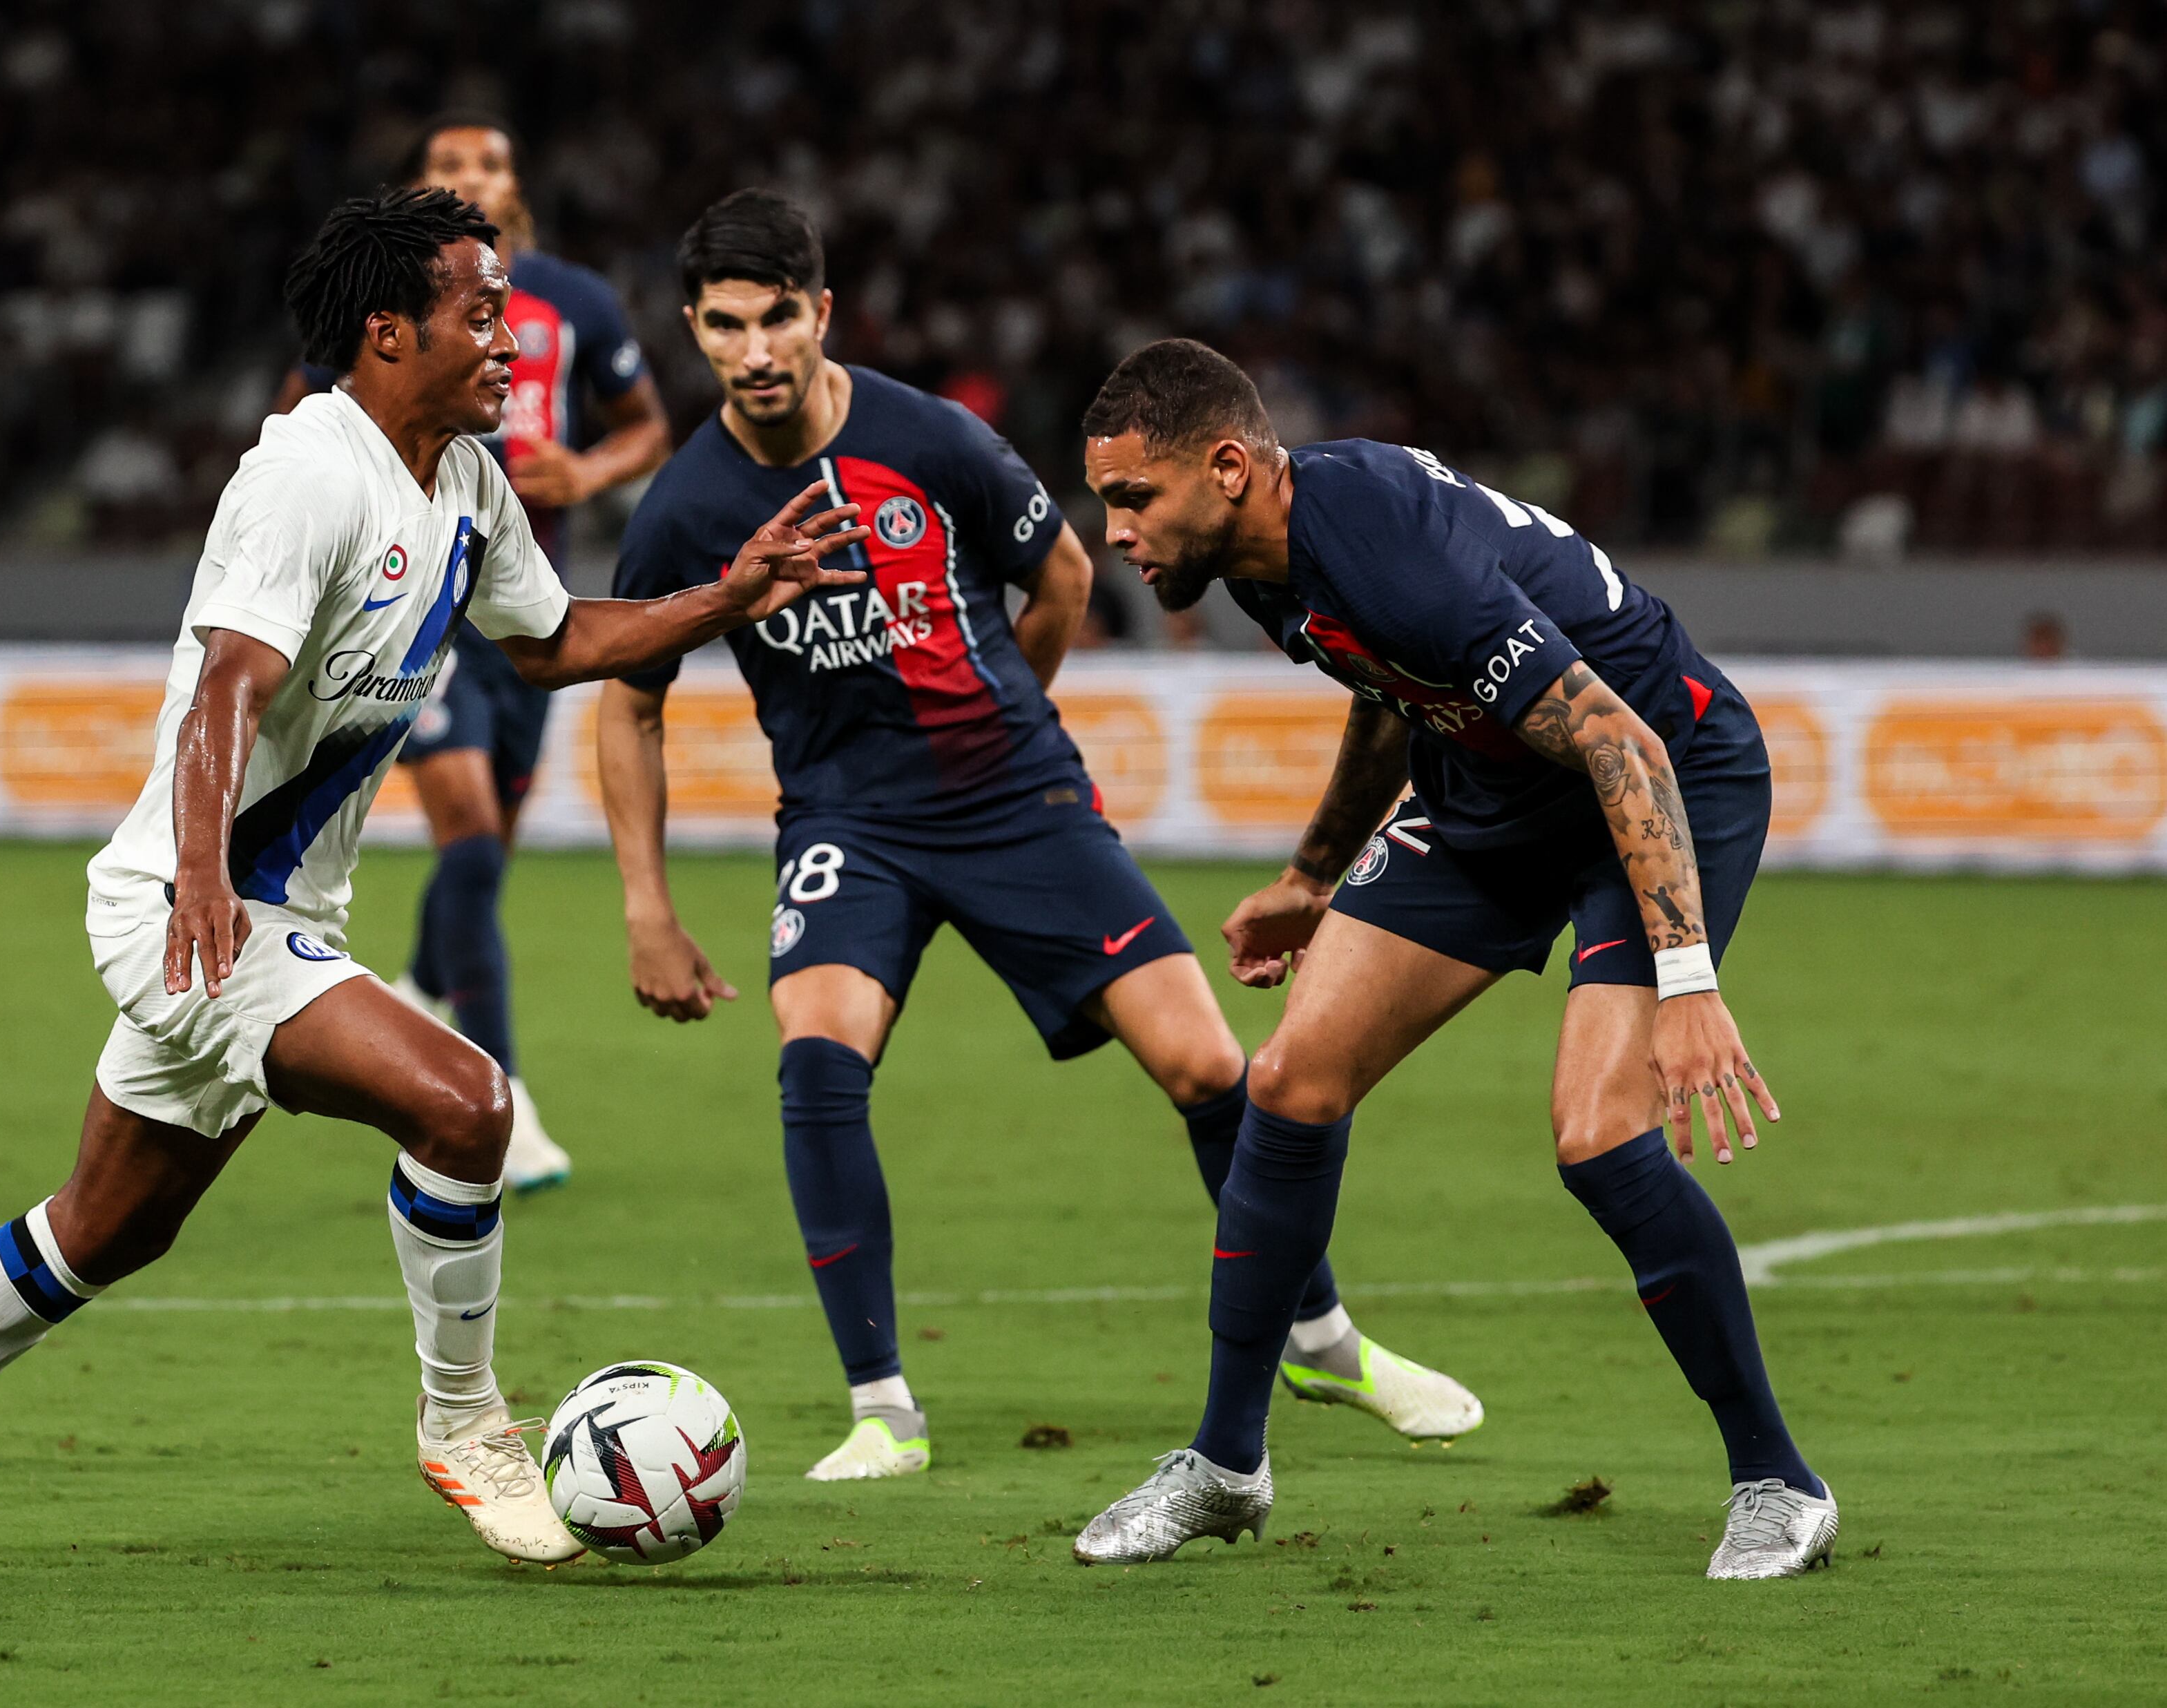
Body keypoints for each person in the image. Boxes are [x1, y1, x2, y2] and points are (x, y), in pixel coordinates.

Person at [0, 188, 867, 1565]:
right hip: (192, 907)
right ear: (388, 333)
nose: (509, 338)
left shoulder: (465, 484)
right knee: (466, 1107)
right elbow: (230, 683)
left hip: (263, 911)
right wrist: (207, 882)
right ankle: (464, 1423)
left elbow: (561, 637)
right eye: (478, 312)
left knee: (103, 1230)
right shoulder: (308, 471)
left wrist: (725, 595)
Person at [597, 193, 1481, 1483]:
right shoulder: (685, 507)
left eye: (779, 315)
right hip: (849, 824)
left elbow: (1063, 573)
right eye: (726, 325)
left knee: (1208, 1067)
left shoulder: (931, 438)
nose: (756, 349)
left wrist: (1001, 715)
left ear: (821, 312)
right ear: (695, 330)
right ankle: (882, 1406)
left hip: (1016, 800)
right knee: (819, 1058)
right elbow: (630, 703)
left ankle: (1323, 1335)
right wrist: (645, 905)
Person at [1069, 340, 1833, 1580]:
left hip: (1657, 777)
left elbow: (1620, 742)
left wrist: (1688, 980)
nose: (1114, 531)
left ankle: (1779, 1481)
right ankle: (1224, 1465)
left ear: (1225, 466)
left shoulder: (1381, 545)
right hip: (1492, 792)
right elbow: (1386, 683)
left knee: (1598, 1136)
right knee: (1290, 1082)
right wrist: (1317, 872)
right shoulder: (1261, 556)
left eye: (1131, 499)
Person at [282, 113, 674, 1195]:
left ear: (515, 182)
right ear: (419, 184)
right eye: (449, 165)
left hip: (525, 605)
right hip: (413, 598)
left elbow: (648, 425)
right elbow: (298, 420)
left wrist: (587, 477)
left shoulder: (578, 303)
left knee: (486, 850)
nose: (473, 177)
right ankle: (502, 1096)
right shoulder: (383, 297)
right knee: (463, 837)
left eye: (490, 162)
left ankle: (415, 983)